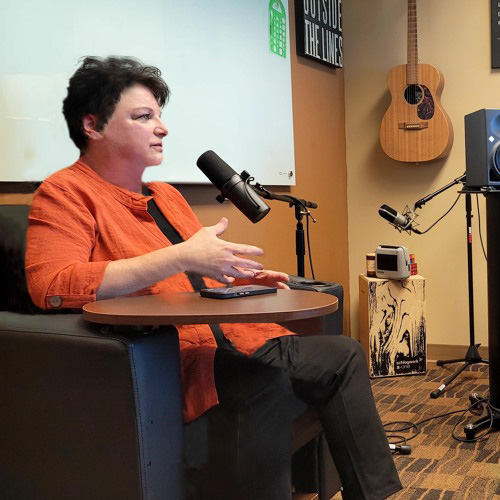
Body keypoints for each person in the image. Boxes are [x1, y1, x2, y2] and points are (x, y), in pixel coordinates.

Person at [25, 56, 402, 500]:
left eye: (160, 116)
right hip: (184, 359)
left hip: (244, 338)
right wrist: (181, 255)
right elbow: (51, 285)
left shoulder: (166, 195)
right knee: (263, 383)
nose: (161, 128)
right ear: (93, 125)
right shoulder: (64, 193)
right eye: (144, 117)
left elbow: (198, 274)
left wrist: (245, 276)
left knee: (345, 353)